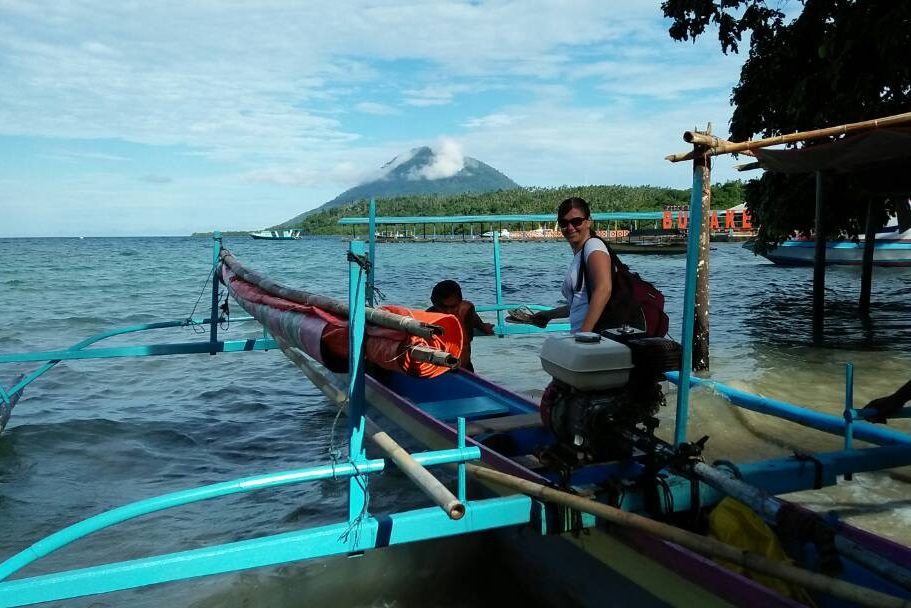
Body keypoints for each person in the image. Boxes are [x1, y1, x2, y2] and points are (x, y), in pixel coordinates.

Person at [531, 197, 640, 333]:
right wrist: (549, 315)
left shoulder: (593, 246)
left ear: (588, 221)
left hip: (596, 340)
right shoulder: (581, 254)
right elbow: (580, 303)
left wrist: (584, 335)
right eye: (564, 223)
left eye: (576, 221)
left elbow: (604, 289)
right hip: (588, 339)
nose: (570, 227)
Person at [427, 280, 494, 372]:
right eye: (443, 307)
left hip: (465, 369)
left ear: (459, 302)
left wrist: (482, 326)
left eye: (453, 307)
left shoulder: (465, 310)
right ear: (433, 303)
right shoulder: (429, 318)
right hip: (440, 371)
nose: (448, 312)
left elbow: (473, 317)